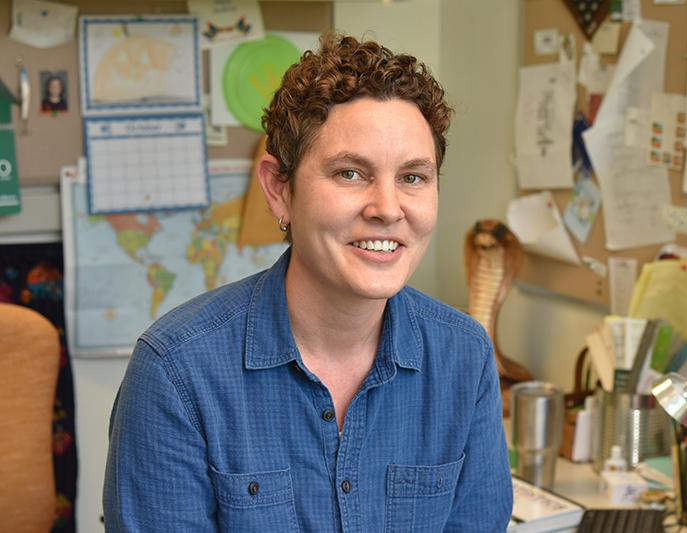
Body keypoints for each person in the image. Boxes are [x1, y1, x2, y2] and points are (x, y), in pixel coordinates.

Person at [103, 33, 512, 532]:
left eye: (413, 177)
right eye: (350, 173)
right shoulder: (177, 372)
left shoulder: (463, 357)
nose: (387, 208)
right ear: (280, 190)